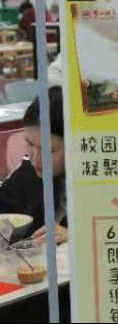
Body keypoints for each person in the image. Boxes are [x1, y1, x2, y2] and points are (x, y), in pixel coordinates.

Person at [0, 86, 67, 244]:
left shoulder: (95, 185)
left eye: (49, 150)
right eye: (29, 143)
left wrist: (75, 235)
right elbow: (5, 200)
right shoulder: (28, 172)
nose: (37, 158)